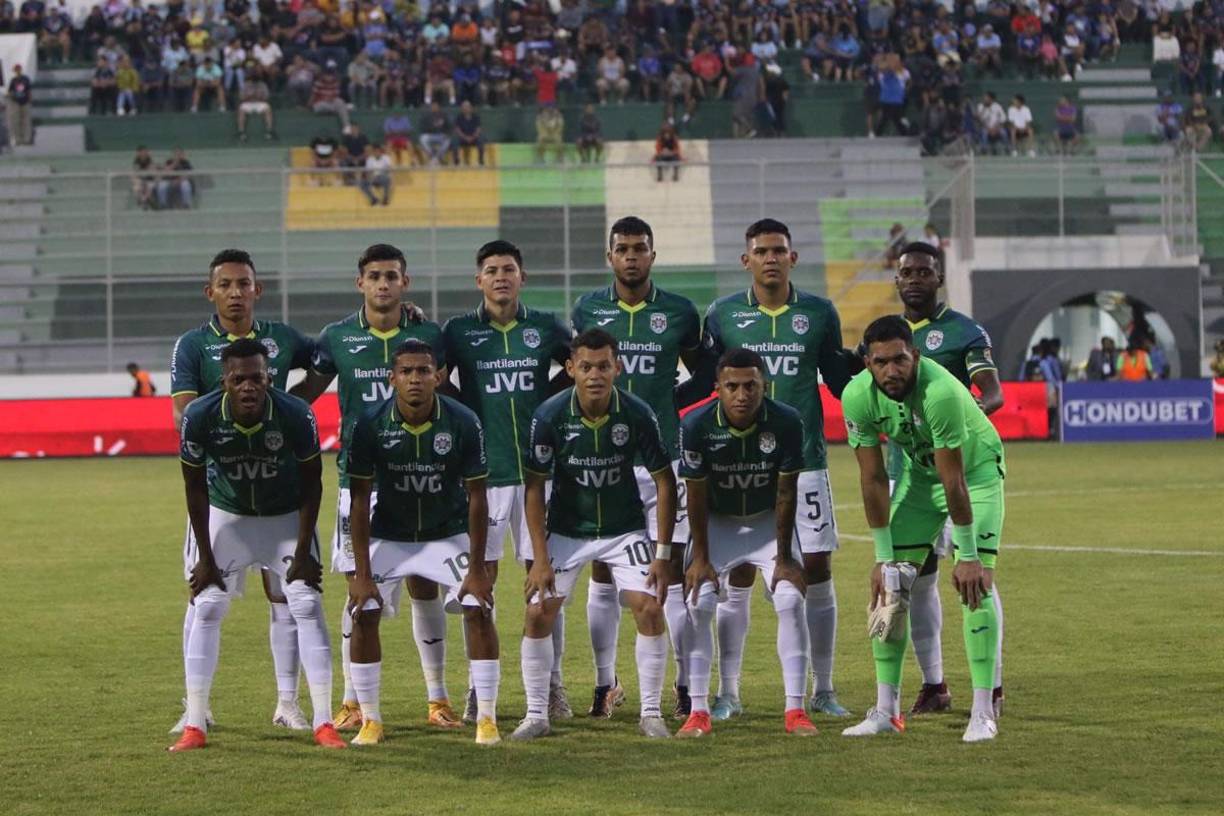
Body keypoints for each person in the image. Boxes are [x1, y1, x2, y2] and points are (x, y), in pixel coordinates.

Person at [288, 244, 456, 733]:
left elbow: (450, 396)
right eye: (375, 276)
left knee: (425, 583)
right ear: (360, 282)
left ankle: (438, 697)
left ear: (406, 282)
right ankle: (352, 701)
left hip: (423, 479)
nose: (383, 283)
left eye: (392, 276)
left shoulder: (429, 336)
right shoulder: (337, 337)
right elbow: (305, 395)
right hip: (361, 484)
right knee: (359, 590)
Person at [692, 218, 854, 720]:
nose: (770, 258)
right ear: (747, 261)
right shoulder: (722, 315)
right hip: (739, 464)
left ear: (792, 258)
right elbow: (706, 384)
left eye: (779, 250)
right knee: (738, 571)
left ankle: (823, 689)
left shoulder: (819, 312)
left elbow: (838, 379)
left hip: (805, 463)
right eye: (761, 251)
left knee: (817, 571)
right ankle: (728, 692)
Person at [168, 249, 317, 735]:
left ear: (258, 289)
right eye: (226, 284)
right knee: (203, 594)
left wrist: (289, 409)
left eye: (244, 284)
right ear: (209, 292)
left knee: (284, 595)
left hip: (277, 490)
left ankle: (288, 703)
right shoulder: (192, 345)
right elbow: (184, 413)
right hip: (222, 492)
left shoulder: (283, 338)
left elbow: (330, 358)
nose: (236, 293)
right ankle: (196, 706)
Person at [170, 339, 344, 752]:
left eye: (256, 378)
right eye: (238, 380)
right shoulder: (199, 415)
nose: (248, 387)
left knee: (306, 602)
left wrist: (304, 550)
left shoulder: (295, 413)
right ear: (224, 383)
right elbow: (194, 487)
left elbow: (313, 483)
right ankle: (195, 722)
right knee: (207, 604)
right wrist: (205, 558)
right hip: (226, 515)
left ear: (269, 379)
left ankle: (324, 722)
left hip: (282, 516)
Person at [840, 316, 1005, 744]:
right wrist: (883, 558)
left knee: (975, 587)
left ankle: (983, 712)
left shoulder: (940, 393)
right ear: (867, 363)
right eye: (880, 362)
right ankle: (885, 711)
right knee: (891, 585)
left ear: (915, 355)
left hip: (976, 474)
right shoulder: (856, 396)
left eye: (900, 360)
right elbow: (872, 479)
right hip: (919, 478)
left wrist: (968, 556)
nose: (891, 371)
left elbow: (955, 481)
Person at [512, 328, 678, 741]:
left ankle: (651, 713)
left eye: (604, 366)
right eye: (586, 367)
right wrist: (540, 557)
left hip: (623, 529)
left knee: (649, 607)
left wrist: (661, 555)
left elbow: (664, 481)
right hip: (567, 530)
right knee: (537, 612)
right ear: (571, 369)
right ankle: (536, 715)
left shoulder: (637, 413)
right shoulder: (549, 416)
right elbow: (533, 488)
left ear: (617, 367)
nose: (595, 375)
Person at [571, 216, 701, 720]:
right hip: (606, 462)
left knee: (671, 574)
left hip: (664, 463)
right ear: (610, 256)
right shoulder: (588, 308)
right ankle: (605, 685)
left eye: (639, 248)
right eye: (622, 248)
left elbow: (705, 373)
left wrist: (668, 402)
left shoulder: (680, 311)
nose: (631, 256)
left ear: (652, 255)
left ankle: (686, 688)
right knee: (603, 572)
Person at [343, 339, 501, 746]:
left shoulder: (463, 421)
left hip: (445, 533)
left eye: (423, 371)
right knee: (363, 610)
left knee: (479, 606)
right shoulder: (370, 423)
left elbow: (478, 496)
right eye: (407, 372)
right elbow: (359, 500)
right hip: (390, 534)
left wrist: (478, 568)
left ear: (438, 376)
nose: (415, 378)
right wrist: (361, 573)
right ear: (392, 379)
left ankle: (487, 719)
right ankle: (371, 721)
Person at [441, 239, 573, 722]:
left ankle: (553, 686)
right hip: (485, 475)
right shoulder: (458, 331)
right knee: (480, 580)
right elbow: (434, 374)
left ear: (522, 277)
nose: (501, 277)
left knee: (545, 581)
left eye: (509, 269)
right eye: (492, 270)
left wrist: (547, 397)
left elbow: (579, 364)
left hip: (541, 474)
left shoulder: (546, 326)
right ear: (479, 280)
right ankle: (479, 688)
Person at [677, 348, 819, 737]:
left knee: (789, 598)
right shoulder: (695, 424)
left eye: (751, 386)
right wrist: (700, 559)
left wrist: (784, 557)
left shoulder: (786, 421)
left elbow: (786, 492)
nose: (742, 395)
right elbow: (695, 496)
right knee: (700, 601)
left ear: (764, 386)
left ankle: (795, 709)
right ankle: (699, 710)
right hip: (718, 522)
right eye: (732, 387)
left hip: (765, 522)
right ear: (717, 388)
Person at [888, 243, 1004, 716]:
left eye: (924, 272)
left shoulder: (963, 331)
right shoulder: (888, 337)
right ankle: (933, 684)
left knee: (975, 576)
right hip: (906, 473)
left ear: (939, 279)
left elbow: (993, 393)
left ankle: (991, 688)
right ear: (896, 280)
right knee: (916, 581)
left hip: (959, 473)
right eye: (907, 272)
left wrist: (963, 421)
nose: (915, 279)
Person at [236, 67, 274, 142]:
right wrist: (248, 97)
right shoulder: (246, 85)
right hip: (248, 103)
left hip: (260, 102)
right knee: (241, 108)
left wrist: (259, 97)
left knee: (268, 108)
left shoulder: (262, 84)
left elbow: (266, 96)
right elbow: (241, 97)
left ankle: (269, 131)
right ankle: (241, 132)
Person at [309, 61, 350, 128]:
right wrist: (309, 106)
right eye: (327, 75)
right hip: (321, 103)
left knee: (340, 101)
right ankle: (339, 110)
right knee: (320, 106)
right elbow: (313, 96)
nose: (329, 77)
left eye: (330, 75)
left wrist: (331, 98)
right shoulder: (319, 82)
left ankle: (346, 126)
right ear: (324, 75)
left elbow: (336, 95)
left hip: (331, 103)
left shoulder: (335, 82)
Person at [453, 100, 485, 166]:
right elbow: (457, 130)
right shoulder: (459, 117)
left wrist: (473, 137)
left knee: (481, 139)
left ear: (470, 108)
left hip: (474, 138)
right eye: (464, 107)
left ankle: (481, 159)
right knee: (455, 140)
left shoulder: (476, 117)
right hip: (463, 138)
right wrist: (465, 137)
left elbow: (478, 129)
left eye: (467, 107)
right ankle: (456, 160)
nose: (465, 108)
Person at [131, 145, 156, 209]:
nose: (144, 153)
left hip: (149, 179)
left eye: (145, 152)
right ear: (139, 153)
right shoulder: (136, 161)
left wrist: (146, 172)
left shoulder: (149, 160)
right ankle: (144, 200)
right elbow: (136, 171)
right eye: (142, 152)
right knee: (136, 186)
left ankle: (144, 200)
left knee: (150, 186)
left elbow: (152, 170)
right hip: (140, 180)